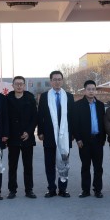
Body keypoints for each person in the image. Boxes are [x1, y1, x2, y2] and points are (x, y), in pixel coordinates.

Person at [38, 70, 75, 198]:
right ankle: (51, 189)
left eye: (59, 79)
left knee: (64, 162)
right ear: (51, 81)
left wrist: (73, 133)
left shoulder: (69, 96)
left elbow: (72, 117)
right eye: (55, 79)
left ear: (62, 81)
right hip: (49, 135)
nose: (57, 82)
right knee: (49, 163)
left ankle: (63, 189)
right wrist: (40, 131)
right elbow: (40, 115)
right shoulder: (44, 96)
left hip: (65, 135)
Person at [6, 76, 38, 199]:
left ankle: (29, 190)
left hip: (27, 138)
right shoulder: (7, 99)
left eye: (21, 84)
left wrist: (29, 132)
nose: (19, 86)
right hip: (13, 138)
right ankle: (12, 190)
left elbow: (34, 117)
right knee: (12, 166)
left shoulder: (30, 98)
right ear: (13, 85)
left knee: (28, 166)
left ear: (24, 85)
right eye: (17, 84)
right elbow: (5, 118)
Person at [74, 80, 106, 198]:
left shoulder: (100, 105)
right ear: (84, 90)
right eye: (89, 89)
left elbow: (103, 123)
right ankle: (85, 190)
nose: (91, 91)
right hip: (84, 141)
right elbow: (75, 124)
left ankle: (98, 190)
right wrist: (78, 139)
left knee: (98, 167)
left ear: (95, 90)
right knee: (85, 166)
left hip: (97, 140)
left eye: (93, 89)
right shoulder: (78, 105)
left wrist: (103, 138)